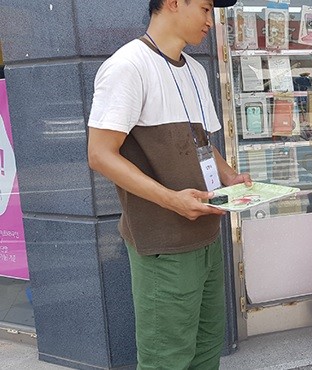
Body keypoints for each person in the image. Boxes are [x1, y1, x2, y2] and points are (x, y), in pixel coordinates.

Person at [87, 0, 247, 368]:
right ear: (173, 3)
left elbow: (202, 144)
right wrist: (171, 200)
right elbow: (100, 154)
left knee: (207, 351)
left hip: (206, 233)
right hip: (164, 243)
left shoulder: (195, 69)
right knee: (166, 360)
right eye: (205, 8)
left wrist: (230, 177)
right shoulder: (128, 66)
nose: (211, 20)